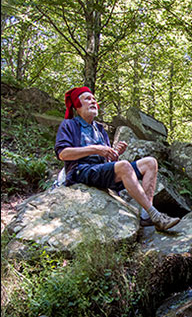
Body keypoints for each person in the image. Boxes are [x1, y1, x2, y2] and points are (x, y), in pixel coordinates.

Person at [55, 86, 180, 231]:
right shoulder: (69, 125)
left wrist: (114, 153)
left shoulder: (100, 129)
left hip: (99, 171)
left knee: (150, 162)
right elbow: (63, 154)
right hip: (81, 171)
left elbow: (108, 163)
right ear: (77, 105)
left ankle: (146, 216)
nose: (93, 102)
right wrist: (96, 149)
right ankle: (156, 215)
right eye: (88, 99)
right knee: (124, 166)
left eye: (94, 99)